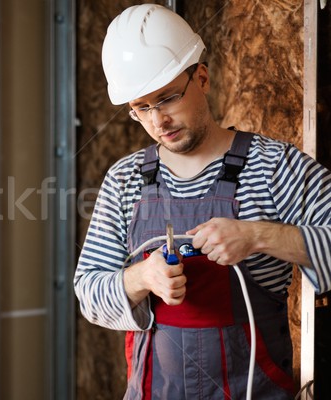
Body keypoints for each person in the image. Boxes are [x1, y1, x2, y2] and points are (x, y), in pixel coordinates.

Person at [74, 4, 331, 399]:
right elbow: (90, 292)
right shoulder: (124, 179)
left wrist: (257, 235)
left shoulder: (273, 167)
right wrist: (143, 278)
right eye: (142, 108)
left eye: (168, 98)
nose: (158, 120)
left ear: (203, 78)